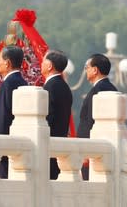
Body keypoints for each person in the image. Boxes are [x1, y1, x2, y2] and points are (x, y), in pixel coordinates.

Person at [0, 45, 27, 179]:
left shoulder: (8, 84)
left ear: (8, 63)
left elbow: (2, 117)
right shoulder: (23, 82)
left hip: (3, 146)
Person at [77, 53, 118, 180]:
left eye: (86, 67)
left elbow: (91, 121)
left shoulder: (99, 90)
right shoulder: (110, 87)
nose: (85, 70)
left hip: (93, 148)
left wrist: (86, 151)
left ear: (95, 70)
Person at [41, 49, 73, 180]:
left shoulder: (50, 87)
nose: (41, 63)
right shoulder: (64, 86)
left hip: (48, 146)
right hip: (59, 145)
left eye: (43, 61)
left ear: (49, 66)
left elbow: (48, 118)